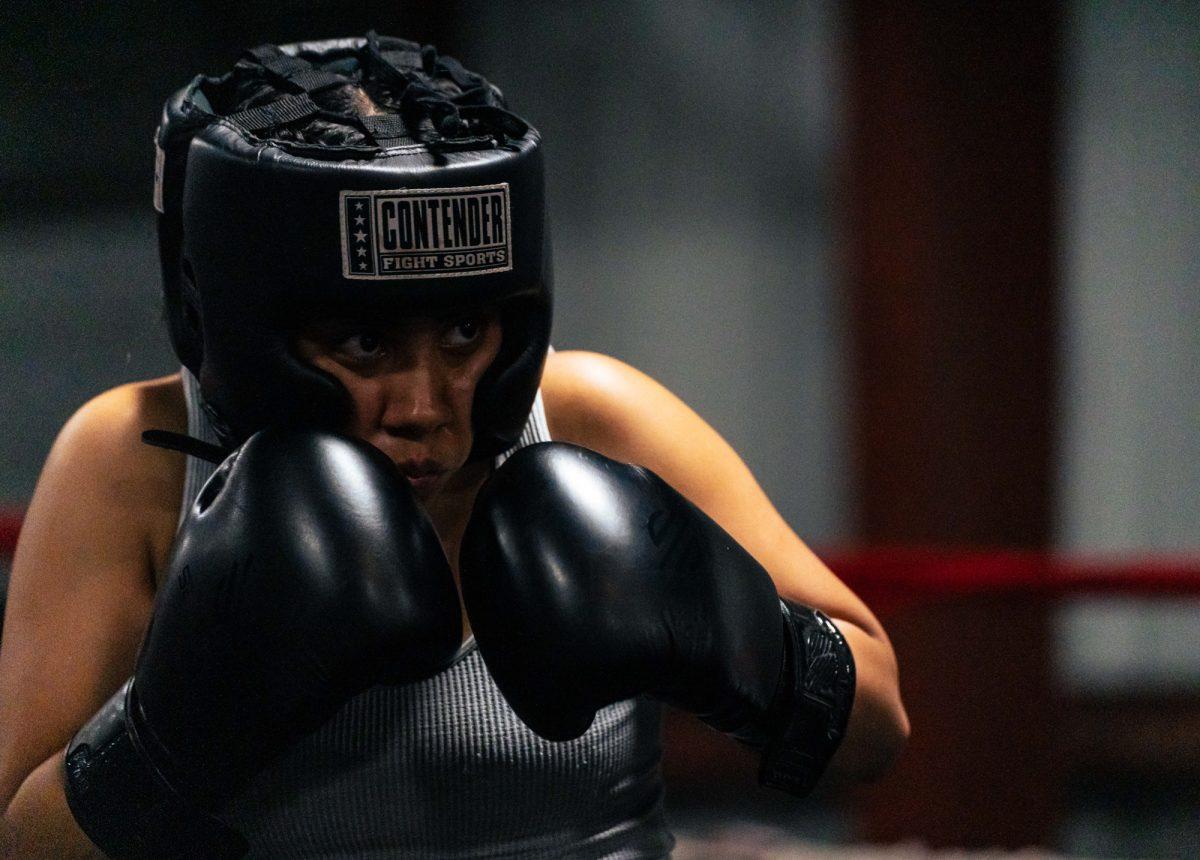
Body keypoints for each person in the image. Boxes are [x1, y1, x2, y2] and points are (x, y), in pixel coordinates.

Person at [0, 35, 908, 858]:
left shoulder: (598, 415)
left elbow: (880, 731)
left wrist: (745, 642)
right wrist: (177, 725)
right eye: (364, 345)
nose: (428, 407)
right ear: (238, 328)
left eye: (467, 331)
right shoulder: (137, 461)